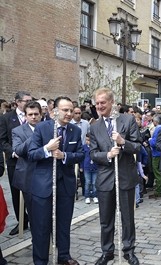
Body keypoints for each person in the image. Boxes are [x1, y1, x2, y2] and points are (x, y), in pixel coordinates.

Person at [28, 96, 84, 265]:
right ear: (55, 111)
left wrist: (64, 155)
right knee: (41, 227)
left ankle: (64, 256)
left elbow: (81, 154)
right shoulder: (42, 128)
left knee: (64, 224)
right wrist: (47, 149)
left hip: (66, 185)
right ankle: (41, 260)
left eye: (71, 110)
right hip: (43, 186)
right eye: (65, 110)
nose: (68, 114)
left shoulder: (76, 130)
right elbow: (31, 154)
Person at [90, 88, 142, 265]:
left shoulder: (127, 120)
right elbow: (93, 153)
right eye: (97, 103)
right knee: (106, 220)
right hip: (105, 180)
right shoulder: (94, 126)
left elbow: (137, 146)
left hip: (125, 177)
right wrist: (107, 155)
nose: (99, 106)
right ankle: (107, 252)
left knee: (127, 218)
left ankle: (129, 250)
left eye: (103, 102)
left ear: (112, 102)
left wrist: (122, 142)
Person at [0, 91, 32, 236]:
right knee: (16, 192)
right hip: (15, 161)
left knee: (32, 190)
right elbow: (2, 140)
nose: (29, 103)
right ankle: (22, 220)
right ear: (17, 102)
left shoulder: (34, 116)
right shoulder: (6, 118)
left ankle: (34, 218)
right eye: (26, 101)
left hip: (32, 161)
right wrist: (13, 152)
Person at [11, 101, 43, 220]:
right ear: (25, 116)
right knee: (33, 210)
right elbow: (18, 150)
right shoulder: (18, 131)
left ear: (41, 114)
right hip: (28, 175)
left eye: (36, 114)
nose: (33, 117)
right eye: (30, 114)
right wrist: (35, 136)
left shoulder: (50, 127)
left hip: (46, 173)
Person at [81, 135, 98, 204]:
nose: (88, 142)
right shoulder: (84, 147)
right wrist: (81, 167)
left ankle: (95, 196)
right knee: (87, 182)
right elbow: (81, 158)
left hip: (95, 167)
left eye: (89, 140)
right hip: (87, 167)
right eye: (87, 140)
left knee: (94, 183)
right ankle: (87, 196)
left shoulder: (95, 147)